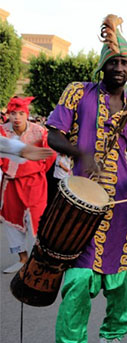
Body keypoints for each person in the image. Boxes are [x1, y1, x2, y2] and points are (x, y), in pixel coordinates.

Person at [45, 15, 127, 343]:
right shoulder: (78, 93)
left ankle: (112, 341)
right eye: (114, 62)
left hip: (122, 207)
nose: (120, 68)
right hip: (80, 205)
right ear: (102, 66)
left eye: (126, 63)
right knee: (77, 283)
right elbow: (52, 135)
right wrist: (81, 153)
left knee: (123, 283)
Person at [1, 96, 56, 274]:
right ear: (8, 115)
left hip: (34, 183)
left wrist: (36, 170)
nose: (17, 117)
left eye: (21, 113)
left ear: (27, 115)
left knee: (36, 222)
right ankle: (22, 259)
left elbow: (50, 156)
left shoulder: (40, 132)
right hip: (10, 184)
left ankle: (36, 261)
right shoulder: (3, 131)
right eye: (13, 113)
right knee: (11, 221)